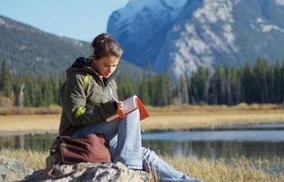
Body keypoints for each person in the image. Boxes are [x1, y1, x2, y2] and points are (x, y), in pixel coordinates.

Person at [58, 33, 202, 182]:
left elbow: (109, 113)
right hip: (76, 135)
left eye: (114, 65)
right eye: (106, 65)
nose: (110, 70)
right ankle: (129, 169)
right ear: (95, 59)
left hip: (101, 135)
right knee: (131, 111)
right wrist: (110, 108)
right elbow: (76, 115)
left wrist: (115, 110)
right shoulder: (78, 78)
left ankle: (189, 181)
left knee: (145, 154)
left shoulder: (110, 83)